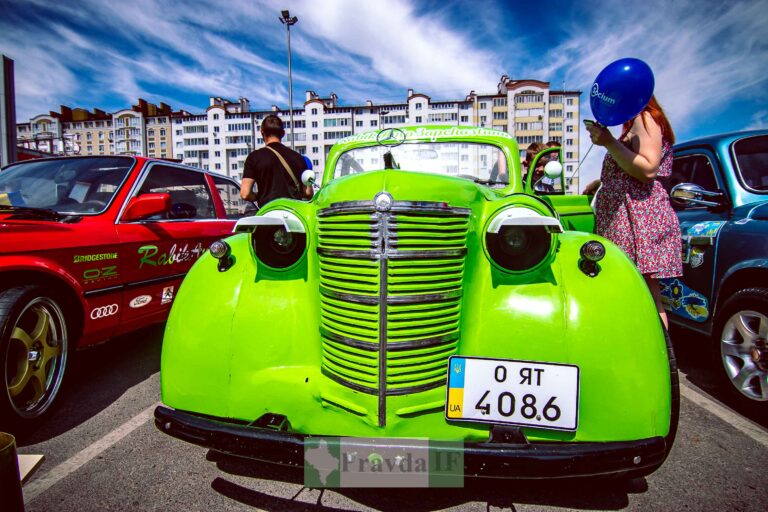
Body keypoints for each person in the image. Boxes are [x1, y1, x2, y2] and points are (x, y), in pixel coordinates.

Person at [584, 95, 681, 329]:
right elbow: (629, 167)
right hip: (628, 214)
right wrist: (600, 182)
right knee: (633, 289)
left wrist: (608, 142)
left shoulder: (643, 117)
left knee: (644, 293)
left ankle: (657, 358)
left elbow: (648, 169)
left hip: (637, 216)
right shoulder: (635, 123)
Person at [240, 114, 313, 207]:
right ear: (282, 133)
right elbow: (308, 193)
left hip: (268, 213)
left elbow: (245, 194)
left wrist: (260, 196)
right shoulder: (299, 158)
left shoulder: (254, 157)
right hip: (293, 213)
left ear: (262, 132)